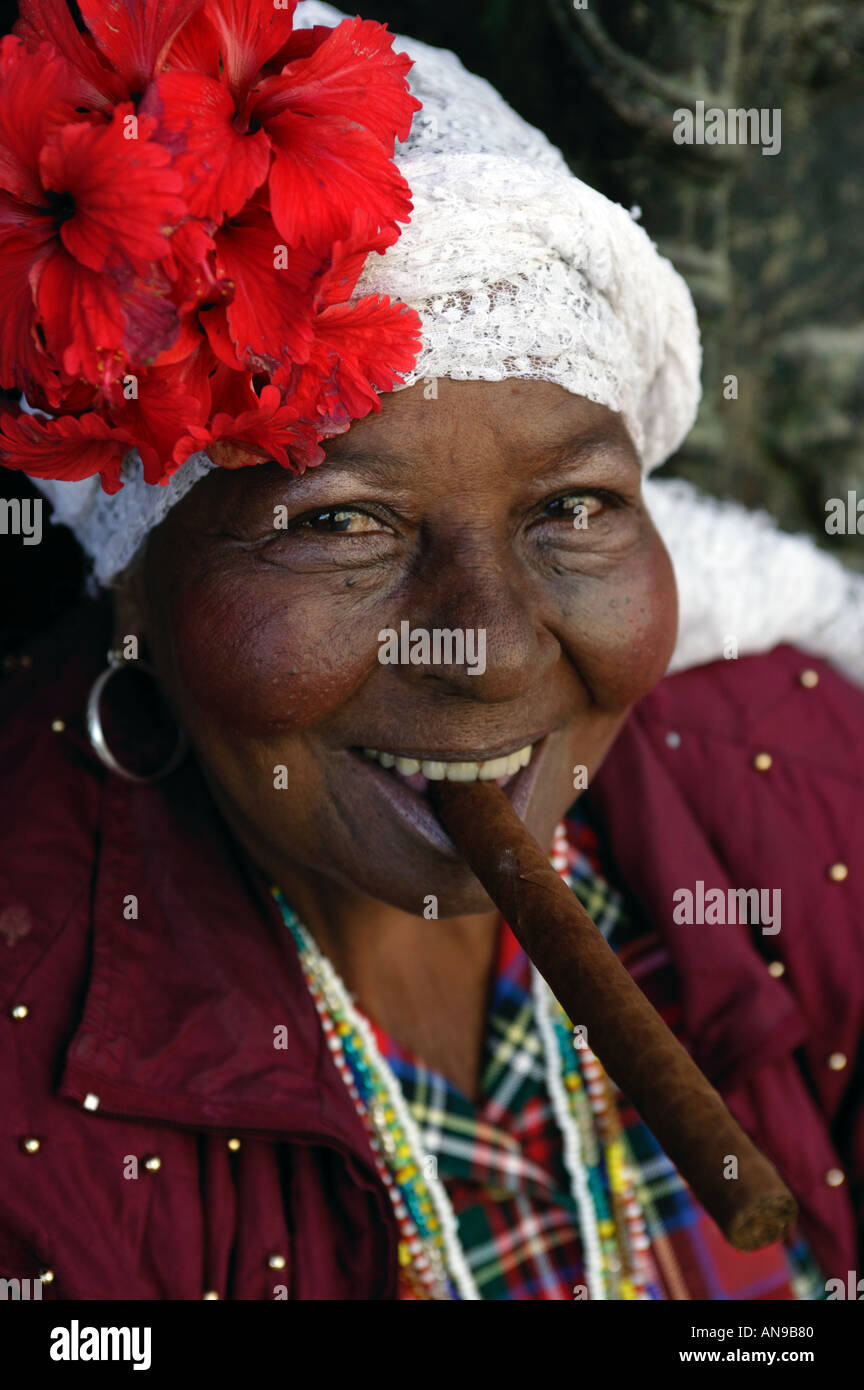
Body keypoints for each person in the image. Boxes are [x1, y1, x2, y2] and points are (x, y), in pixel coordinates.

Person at [0, 0, 861, 1301]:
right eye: (340, 522)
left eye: (572, 507)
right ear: (136, 586)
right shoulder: (33, 1092)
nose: (490, 650)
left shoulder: (804, 778)